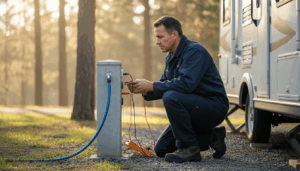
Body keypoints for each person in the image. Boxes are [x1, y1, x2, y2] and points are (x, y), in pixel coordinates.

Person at [127, 16, 229, 163]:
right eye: (157, 37)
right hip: (193, 107)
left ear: (174, 34)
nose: (157, 42)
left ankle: (189, 148)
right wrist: (144, 90)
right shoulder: (170, 57)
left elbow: (186, 84)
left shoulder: (194, 51)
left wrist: (152, 85)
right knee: (161, 150)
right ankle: (211, 136)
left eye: (160, 37)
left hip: (214, 107)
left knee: (170, 96)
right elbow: (164, 84)